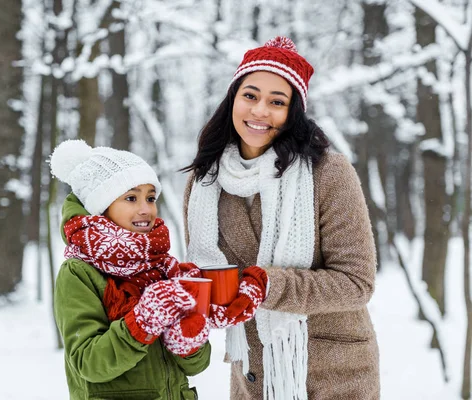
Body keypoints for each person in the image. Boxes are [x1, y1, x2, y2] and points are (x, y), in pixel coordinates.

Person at [182, 36, 380, 400]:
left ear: (293, 113)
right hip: (252, 375)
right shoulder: (205, 181)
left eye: (277, 102)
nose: (259, 111)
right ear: (232, 100)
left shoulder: (328, 173)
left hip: (333, 374)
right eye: (250, 95)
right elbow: (207, 273)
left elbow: (356, 283)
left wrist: (265, 287)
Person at [49, 139, 212, 400]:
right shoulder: (79, 272)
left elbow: (198, 365)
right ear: (100, 206)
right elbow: (88, 363)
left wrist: (188, 336)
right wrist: (143, 321)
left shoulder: (162, 265)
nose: (145, 209)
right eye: (131, 198)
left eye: (150, 197)